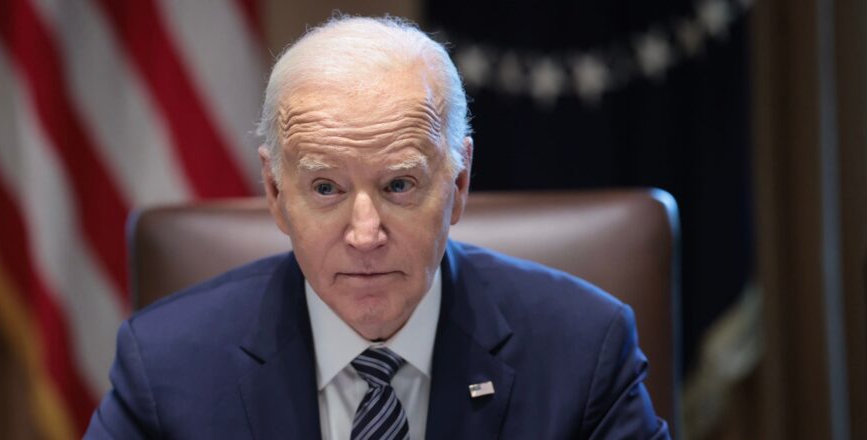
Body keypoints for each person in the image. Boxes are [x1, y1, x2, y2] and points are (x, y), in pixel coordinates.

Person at [85, 15, 669, 440]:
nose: (365, 234)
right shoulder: (166, 366)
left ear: (458, 185)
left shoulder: (583, 350)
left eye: (398, 186)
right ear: (274, 192)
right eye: (326, 189)